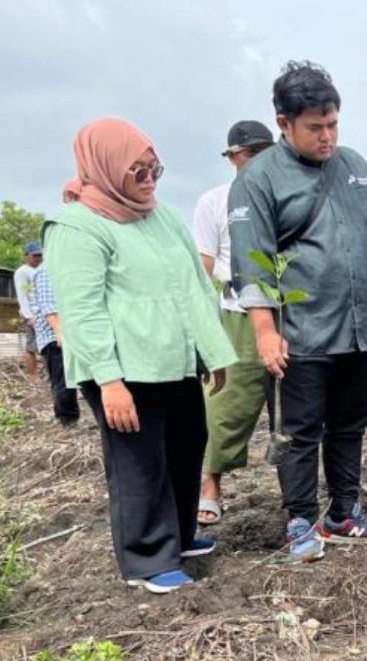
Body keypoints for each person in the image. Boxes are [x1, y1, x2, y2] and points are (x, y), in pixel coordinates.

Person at [229, 61, 367, 563]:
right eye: (315, 128)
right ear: (283, 124)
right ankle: (298, 520)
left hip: (357, 328)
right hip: (300, 334)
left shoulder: (356, 168)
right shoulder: (258, 181)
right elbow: (252, 264)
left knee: (350, 424)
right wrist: (266, 331)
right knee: (298, 430)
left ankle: (344, 511)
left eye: (333, 124)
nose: (328, 136)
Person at [44, 118, 236, 594]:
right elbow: (82, 310)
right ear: (106, 167)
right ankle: (147, 559)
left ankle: (179, 535)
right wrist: (108, 381)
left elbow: (193, 284)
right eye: (138, 171)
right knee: (139, 462)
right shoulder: (77, 227)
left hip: (174, 360)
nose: (149, 179)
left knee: (187, 444)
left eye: (155, 169)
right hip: (125, 370)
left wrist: (213, 352)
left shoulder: (159, 215)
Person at [192, 120, 276, 525]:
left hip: (289, 310)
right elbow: (204, 268)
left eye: (266, 151)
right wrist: (204, 332)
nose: (259, 160)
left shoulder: (288, 195)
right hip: (238, 313)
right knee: (227, 404)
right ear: (233, 158)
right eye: (249, 153)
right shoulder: (215, 202)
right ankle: (211, 483)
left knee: (299, 405)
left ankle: (298, 493)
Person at [28, 263, 79, 425]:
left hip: (67, 333)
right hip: (54, 336)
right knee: (63, 379)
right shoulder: (45, 271)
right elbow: (48, 306)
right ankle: (67, 419)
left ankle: (70, 416)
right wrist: (59, 331)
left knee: (70, 377)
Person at [14, 243, 42, 381]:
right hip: (32, 314)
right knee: (31, 346)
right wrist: (28, 316)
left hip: (44, 313)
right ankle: (33, 375)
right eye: (34, 255)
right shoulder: (22, 272)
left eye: (39, 255)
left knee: (48, 346)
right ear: (27, 256)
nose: (38, 258)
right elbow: (22, 295)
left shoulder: (42, 270)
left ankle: (51, 375)